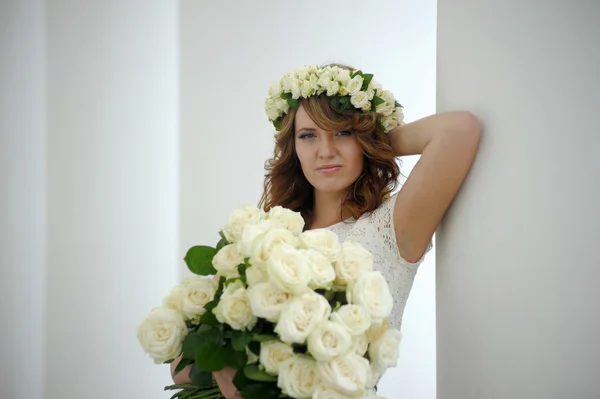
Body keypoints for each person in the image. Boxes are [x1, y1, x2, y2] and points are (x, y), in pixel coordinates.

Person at [170, 63, 482, 398]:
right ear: (294, 147)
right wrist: (229, 369)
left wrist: (372, 143)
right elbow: (181, 368)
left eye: (343, 132)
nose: (326, 151)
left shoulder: (393, 225)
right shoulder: (266, 236)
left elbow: (460, 130)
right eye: (308, 136)